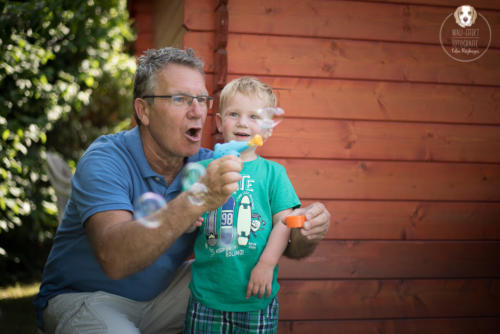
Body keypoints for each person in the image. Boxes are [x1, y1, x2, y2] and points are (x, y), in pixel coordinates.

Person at [34, 47, 330, 334]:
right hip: (89, 297)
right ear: (144, 110)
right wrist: (197, 198)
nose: (197, 111)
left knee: (235, 272)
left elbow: (284, 241)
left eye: (202, 99)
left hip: (165, 294)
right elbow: (114, 258)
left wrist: (305, 233)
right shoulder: (106, 159)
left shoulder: (210, 165)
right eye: (181, 99)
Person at [184, 76, 303, 333]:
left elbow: (284, 222)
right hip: (207, 295)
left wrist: (266, 265)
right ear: (218, 122)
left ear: (268, 129)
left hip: (255, 296)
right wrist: (188, 218)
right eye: (234, 114)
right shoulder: (203, 170)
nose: (242, 123)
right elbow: (185, 215)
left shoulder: (274, 174)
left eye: (253, 117)